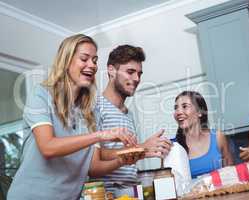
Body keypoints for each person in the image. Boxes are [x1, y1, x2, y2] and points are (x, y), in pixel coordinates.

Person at [7, 34, 137, 200]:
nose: (92, 65)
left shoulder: (91, 111)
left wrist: (125, 158)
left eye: (95, 60)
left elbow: (93, 165)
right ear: (66, 61)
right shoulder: (41, 95)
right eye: (84, 58)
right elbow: (48, 147)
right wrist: (100, 135)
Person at [92, 44, 172, 196]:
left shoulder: (129, 115)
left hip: (132, 192)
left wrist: (146, 151)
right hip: (109, 194)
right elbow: (93, 156)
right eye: (130, 72)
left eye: (139, 74)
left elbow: (128, 163)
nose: (136, 79)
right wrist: (142, 148)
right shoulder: (95, 107)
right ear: (111, 70)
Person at [173, 91, 233, 178]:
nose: (178, 112)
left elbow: (232, 173)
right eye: (176, 108)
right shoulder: (172, 147)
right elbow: (168, 184)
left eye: (185, 106)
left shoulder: (217, 137)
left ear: (200, 112)